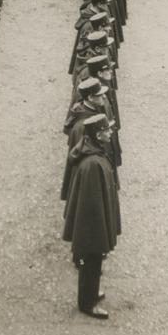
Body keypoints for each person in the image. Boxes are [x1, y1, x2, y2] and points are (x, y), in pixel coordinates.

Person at [62, 114, 121, 320]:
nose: (110, 132)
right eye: (106, 130)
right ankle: (87, 303)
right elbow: (91, 203)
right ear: (98, 134)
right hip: (92, 224)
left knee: (94, 262)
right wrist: (99, 230)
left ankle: (91, 293)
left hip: (93, 221)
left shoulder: (93, 152)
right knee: (92, 259)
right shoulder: (92, 163)